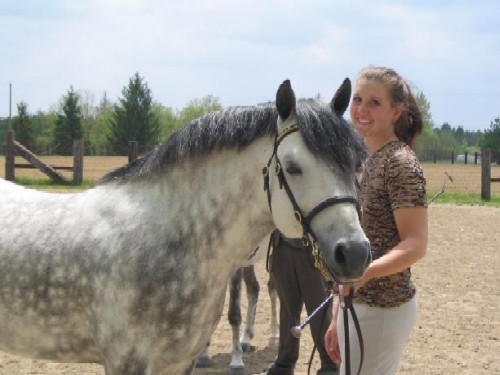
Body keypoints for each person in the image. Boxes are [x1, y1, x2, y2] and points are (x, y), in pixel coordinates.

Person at [324, 66, 428, 375]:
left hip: (383, 309)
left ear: (396, 112)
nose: (362, 110)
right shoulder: (363, 160)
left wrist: (365, 275)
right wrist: (337, 315)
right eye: (357, 99)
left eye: (374, 102)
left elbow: (416, 244)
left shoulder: (400, 163)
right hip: (355, 305)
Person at [258, 229, 339, 375]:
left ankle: (330, 366)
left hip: (313, 249)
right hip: (281, 245)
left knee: (319, 310)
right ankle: (284, 364)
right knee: (287, 310)